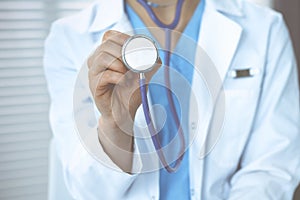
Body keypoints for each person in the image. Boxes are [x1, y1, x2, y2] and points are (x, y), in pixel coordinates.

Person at [43, 0, 300, 199]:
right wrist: (115, 124)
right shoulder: (70, 38)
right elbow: (90, 192)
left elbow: (273, 167)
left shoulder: (265, 28)